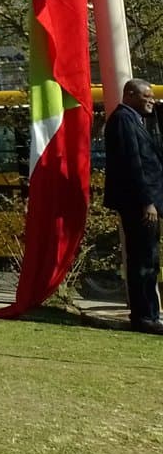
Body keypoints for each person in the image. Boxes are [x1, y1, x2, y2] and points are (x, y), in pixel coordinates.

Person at [102, 78, 163, 334]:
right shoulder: (122, 120)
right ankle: (144, 316)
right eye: (146, 95)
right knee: (143, 260)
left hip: (147, 202)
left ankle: (151, 313)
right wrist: (146, 201)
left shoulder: (137, 120)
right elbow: (133, 163)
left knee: (150, 258)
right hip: (139, 205)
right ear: (129, 95)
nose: (151, 99)